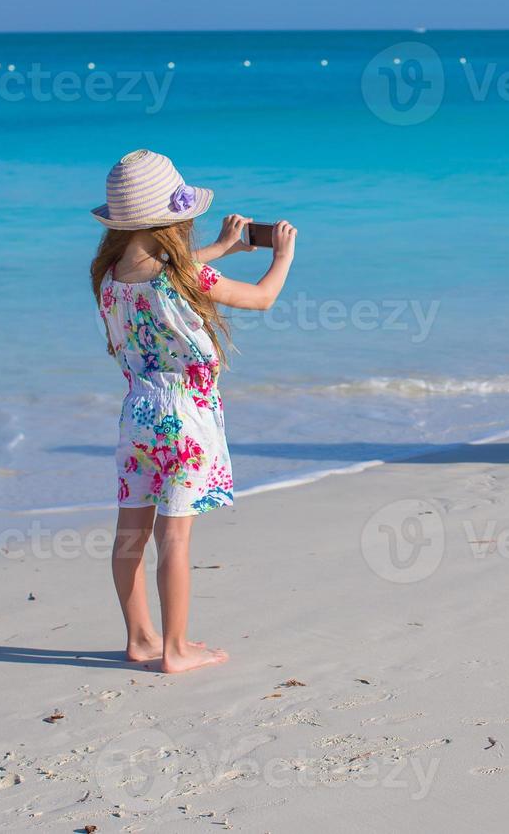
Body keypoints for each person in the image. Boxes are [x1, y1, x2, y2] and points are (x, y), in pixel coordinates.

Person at [89, 149, 297, 673]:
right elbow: (262, 299)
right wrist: (282, 258)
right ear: (173, 218)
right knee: (175, 536)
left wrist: (223, 247)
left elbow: (168, 274)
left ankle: (140, 638)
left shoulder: (110, 275)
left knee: (131, 533)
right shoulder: (182, 278)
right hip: (184, 416)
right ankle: (176, 649)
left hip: (137, 411)